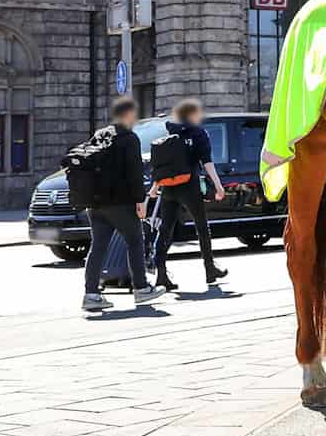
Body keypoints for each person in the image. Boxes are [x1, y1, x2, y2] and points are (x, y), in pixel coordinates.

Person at [81, 98, 167, 311]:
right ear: (127, 115)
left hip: (95, 203)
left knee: (98, 247)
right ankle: (141, 288)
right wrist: (140, 201)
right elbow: (135, 173)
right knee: (135, 241)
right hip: (119, 203)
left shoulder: (99, 135)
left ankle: (91, 294)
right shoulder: (129, 139)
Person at [151, 98, 228, 290]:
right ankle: (210, 269)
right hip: (190, 186)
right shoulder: (199, 133)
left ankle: (160, 273)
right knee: (202, 227)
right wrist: (218, 186)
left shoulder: (171, 132)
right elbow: (207, 162)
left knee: (165, 229)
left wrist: (155, 187)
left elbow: (163, 164)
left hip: (168, 187)